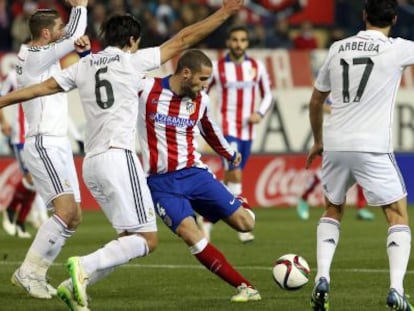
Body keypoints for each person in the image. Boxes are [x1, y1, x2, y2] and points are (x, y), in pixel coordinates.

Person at [0, 1, 245, 309]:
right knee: (147, 240)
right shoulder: (133, 61)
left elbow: (41, 88)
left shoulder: (83, 65)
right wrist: (224, 13)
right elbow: (183, 40)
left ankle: (74, 287)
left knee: (128, 236)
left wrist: (2, 101)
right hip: (119, 157)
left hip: (92, 164)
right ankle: (83, 266)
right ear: (132, 41)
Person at [306, 1, 412, 310]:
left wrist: (317, 140)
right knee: (396, 214)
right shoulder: (398, 48)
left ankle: (322, 278)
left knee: (333, 208)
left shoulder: (337, 47)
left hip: (336, 143)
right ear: (394, 18)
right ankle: (397, 289)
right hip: (372, 145)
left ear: (364, 15)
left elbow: (315, 101)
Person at [138, 49, 261, 303]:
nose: (206, 86)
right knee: (191, 234)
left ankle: (238, 199)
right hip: (161, 183)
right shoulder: (146, 89)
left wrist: (229, 153)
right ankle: (245, 286)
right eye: (203, 79)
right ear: (186, 73)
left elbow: (210, 129)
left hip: (195, 174)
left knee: (246, 224)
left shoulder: (200, 100)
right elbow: (110, 80)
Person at [8, 0, 88, 301]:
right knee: (65, 212)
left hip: (58, 142)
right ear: (44, 33)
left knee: (74, 216)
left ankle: (36, 273)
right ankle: (28, 272)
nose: (64, 32)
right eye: (58, 29)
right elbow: (75, 30)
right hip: (43, 141)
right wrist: (80, 6)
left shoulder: (43, 57)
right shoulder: (35, 55)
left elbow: (71, 49)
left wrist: (82, 53)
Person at [201, 25, 273, 243]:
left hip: (248, 131)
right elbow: (202, 93)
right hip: (226, 129)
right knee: (236, 171)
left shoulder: (256, 67)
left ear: (247, 43)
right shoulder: (217, 67)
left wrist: (260, 113)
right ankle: (243, 225)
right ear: (228, 42)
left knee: (230, 178)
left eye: (242, 40)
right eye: (234, 39)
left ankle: (206, 219)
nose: (238, 44)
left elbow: (268, 94)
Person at [297, 100, 375, 221]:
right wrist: (341, 113)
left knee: (359, 170)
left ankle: (361, 208)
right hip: (334, 135)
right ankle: (304, 198)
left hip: (352, 135)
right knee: (326, 172)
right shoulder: (333, 89)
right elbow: (319, 104)